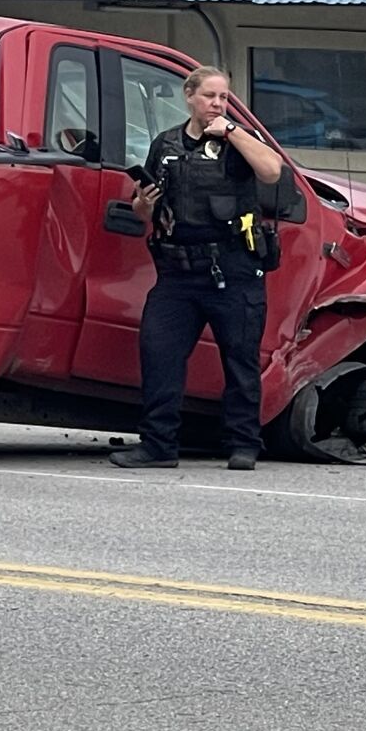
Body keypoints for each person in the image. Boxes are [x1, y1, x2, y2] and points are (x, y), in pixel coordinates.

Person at [110, 66, 285, 471]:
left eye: (223, 98)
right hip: (178, 273)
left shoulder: (237, 140)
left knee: (240, 360)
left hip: (233, 268)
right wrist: (144, 204)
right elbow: (141, 209)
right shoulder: (166, 143)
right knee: (159, 355)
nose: (217, 105)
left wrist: (231, 131)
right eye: (210, 97)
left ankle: (243, 444)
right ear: (189, 96)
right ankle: (158, 445)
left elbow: (272, 171)